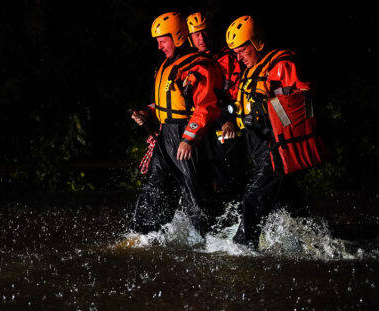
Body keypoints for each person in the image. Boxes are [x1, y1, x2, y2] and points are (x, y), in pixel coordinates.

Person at [222, 15, 314, 248]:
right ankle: (316, 242)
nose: (238, 57)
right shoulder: (250, 73)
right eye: (235, 53)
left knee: (253, 197)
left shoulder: (281, 64)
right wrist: (229, 121)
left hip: (278, 146)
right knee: (290, 206)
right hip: (259, 146)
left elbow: (304, 101)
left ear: (257, 43)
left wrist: (266, 108)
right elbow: (240, 107)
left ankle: (242, 248)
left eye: (242, 50)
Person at [130, 12, 223, 236]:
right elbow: (166, 105)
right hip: (166, 137)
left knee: (196, 195)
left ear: (178, 36)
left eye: (163, 41)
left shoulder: (199, 66)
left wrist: (189, 138)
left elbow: (205, 106)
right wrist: (146, 113)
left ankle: (213, 241)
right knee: (155, 187)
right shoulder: (165, 67)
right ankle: (145, 235)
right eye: (158, 42)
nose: (159, 47)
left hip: (188, 137)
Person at [186, 12, 247, 199]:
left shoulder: (228, 58)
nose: (202, 37)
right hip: (200, 124)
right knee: (203, 175)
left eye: (204, 32)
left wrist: (230, 120)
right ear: (190, 38)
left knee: (230, 173)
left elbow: (237, 92)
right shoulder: (189, 63)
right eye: (197, 34)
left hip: (224, 120)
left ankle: (238, 217)